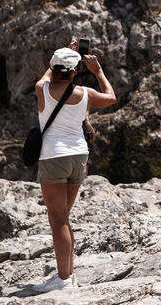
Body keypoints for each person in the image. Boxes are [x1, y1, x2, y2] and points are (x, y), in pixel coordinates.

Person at [32, 39, 116, 293]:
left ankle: (64, 279)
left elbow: (47, 75)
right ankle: (68, 274)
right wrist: (98, 71)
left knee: (58, 221)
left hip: (53, 157)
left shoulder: (42, 89)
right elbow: (111, 97)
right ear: (75, 71)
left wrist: (66, 53)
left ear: (53, 68)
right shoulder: (85, 94)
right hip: (79, 156)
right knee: (64, 219)